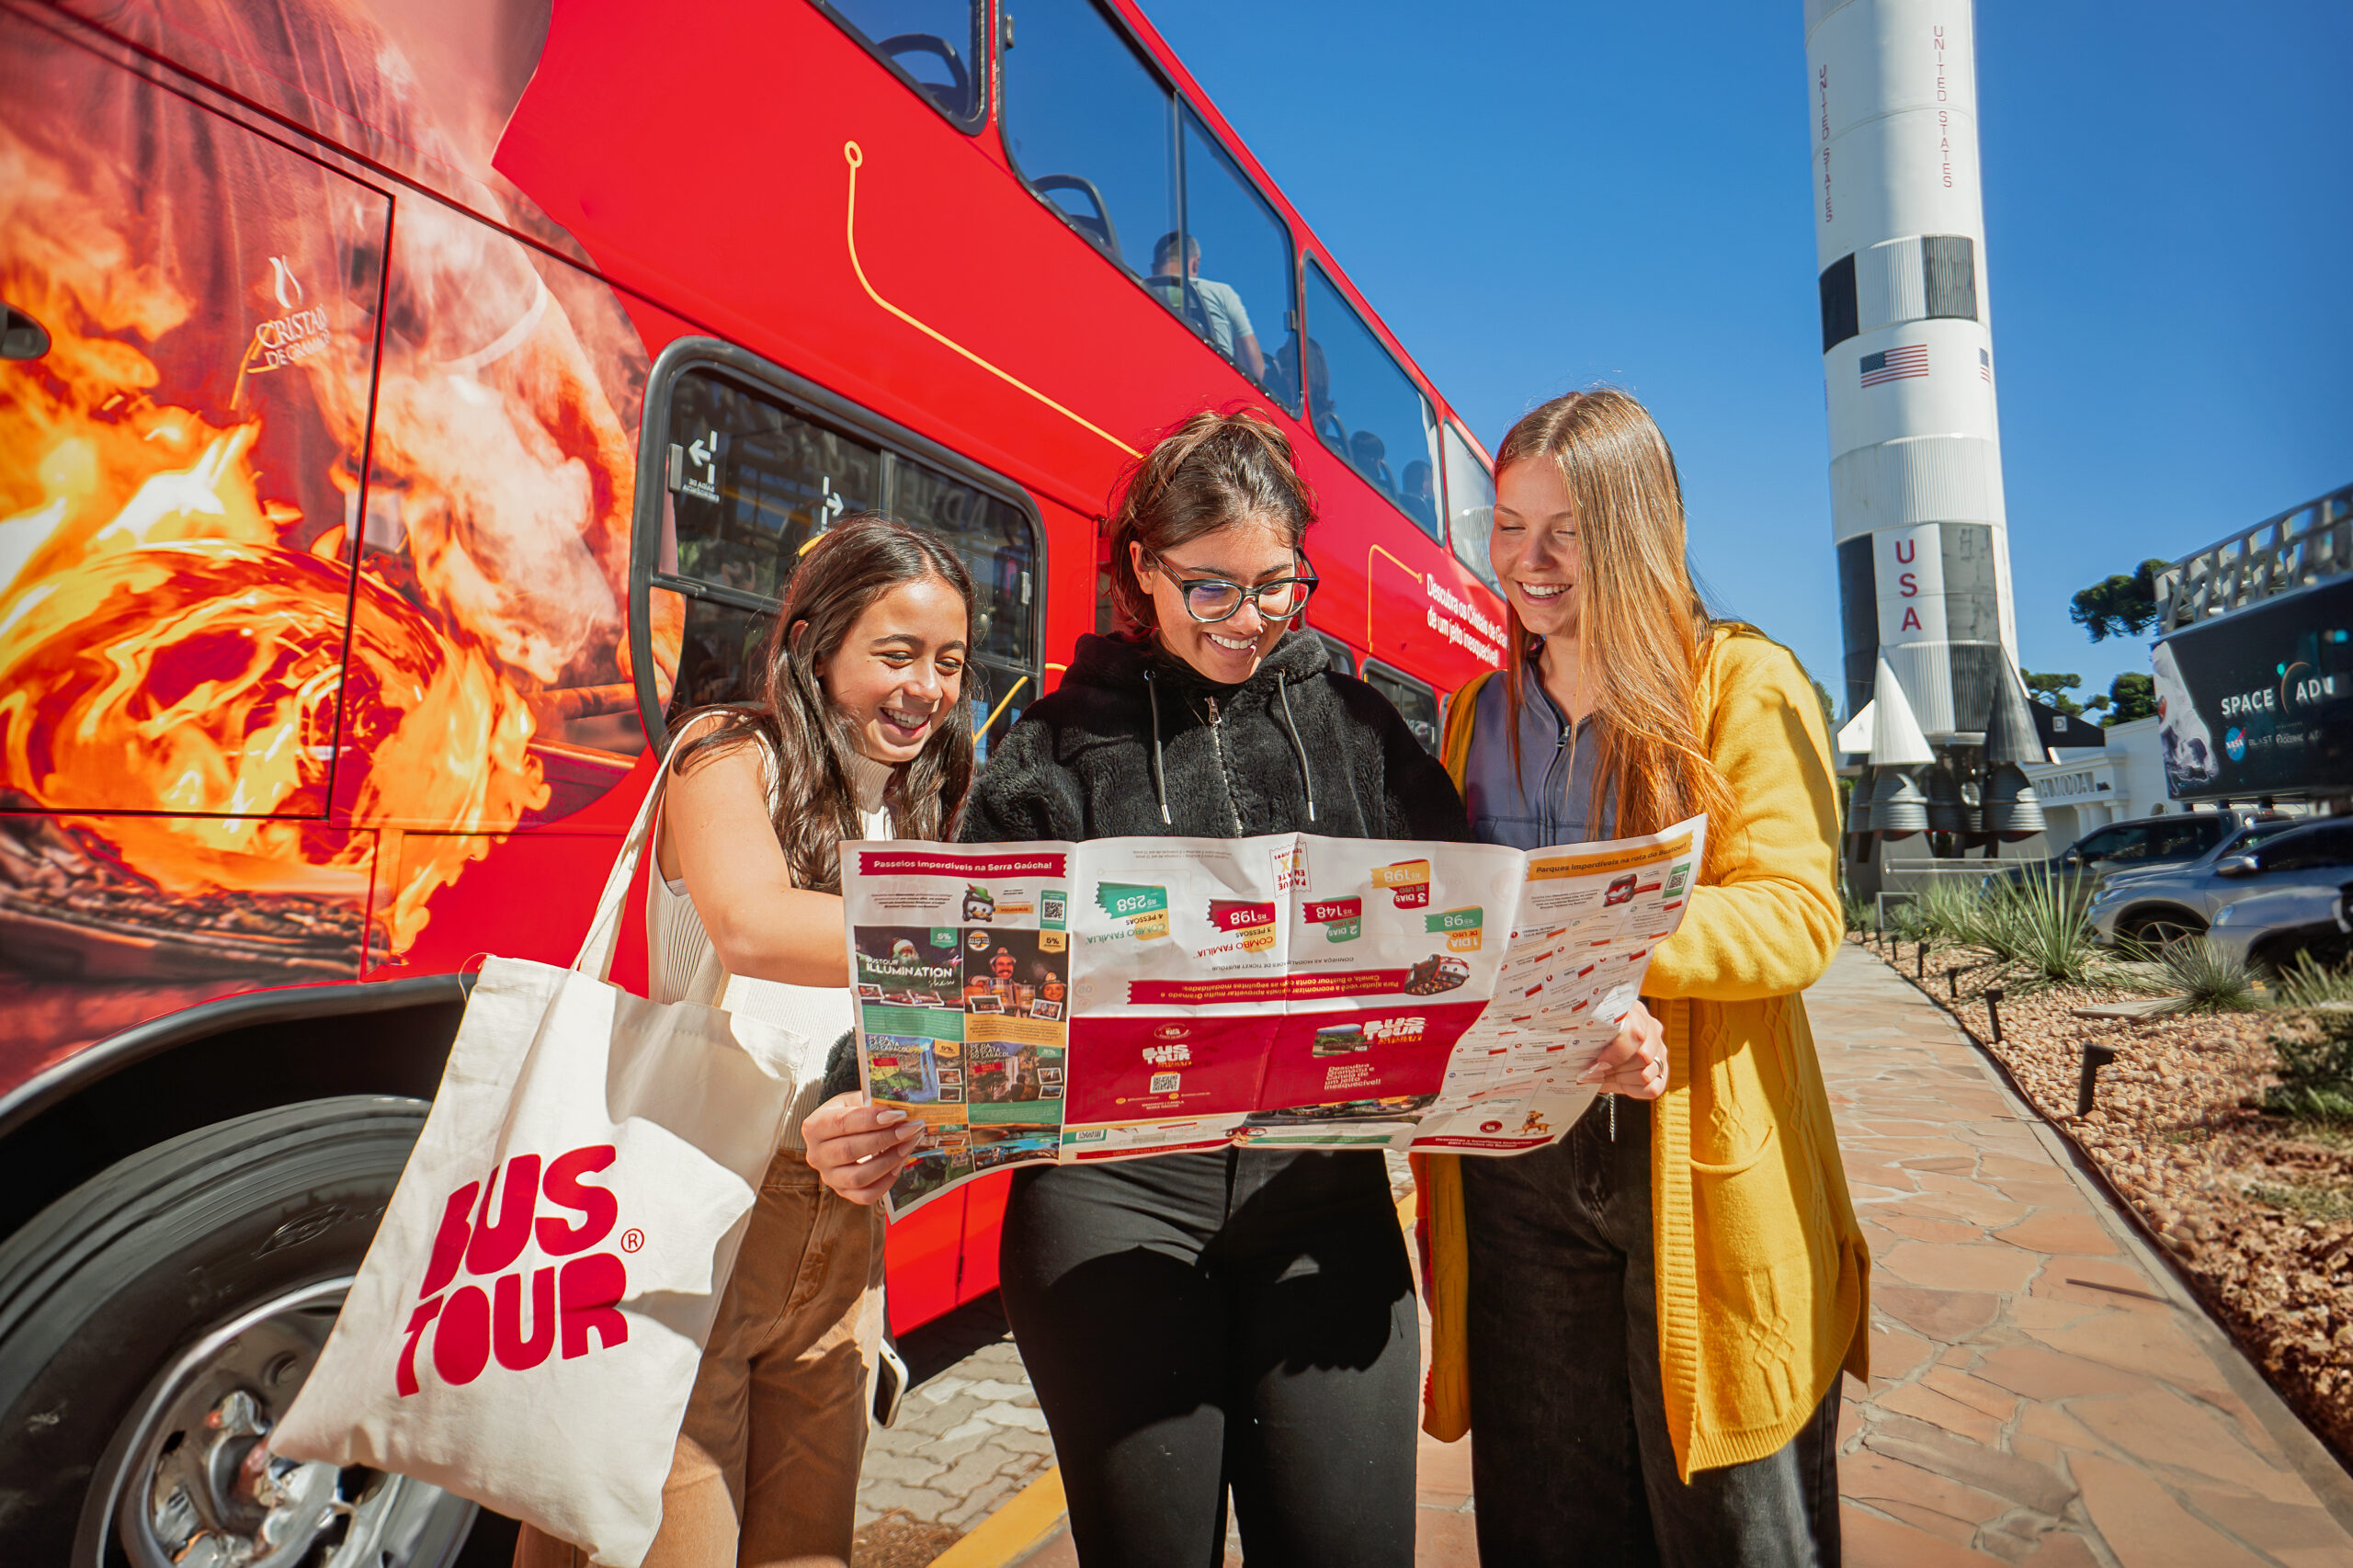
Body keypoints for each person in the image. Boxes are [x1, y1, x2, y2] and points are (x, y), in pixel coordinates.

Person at [955, 410, 1452, 1566]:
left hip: (1321, 1204)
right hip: (1107, 1207)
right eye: (1211, 589)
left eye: (1278, 586)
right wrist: (869, 1080)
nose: (1251, 620)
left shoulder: (1371, 729)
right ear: (1141, 567)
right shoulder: (1051, 745)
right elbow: (970, 966)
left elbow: (1462, 931)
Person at [1413, 389, 1869, 1567]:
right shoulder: (1471, 715)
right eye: (1509, 525)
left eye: (1567, 527)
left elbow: (1795, 912)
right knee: (1549, 1511)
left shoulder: (1741, 682)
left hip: (1688, 1154)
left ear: (1641, 527)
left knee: (1730, 1525)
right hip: (1512, 1165)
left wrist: (1604, 947)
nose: (1530, 560)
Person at [514, 514, 971, 1568]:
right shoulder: (725, 753)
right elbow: (754, 926)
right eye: (895, 654)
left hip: (844, 1230)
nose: (928, 689)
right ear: (815, 644)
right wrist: (1003, 942)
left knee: (809, 1550)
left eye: (948, 661)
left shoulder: (916, 802)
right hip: (691, 1216)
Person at [1147, 231, 1266, 381]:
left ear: (1153, 267)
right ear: (1195, 264)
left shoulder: (1138, 291)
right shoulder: (1222, 293)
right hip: (1212, 390)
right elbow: (1254, 368)